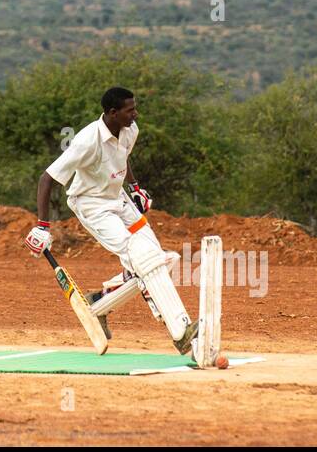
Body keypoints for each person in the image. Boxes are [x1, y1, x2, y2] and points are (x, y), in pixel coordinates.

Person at [25, 87, 198, 357]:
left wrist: (135, 187)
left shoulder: (130, 130)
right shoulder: (86, 141)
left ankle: (101, 303)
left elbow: (123, 157)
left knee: (159, 256)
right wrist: (42, 225)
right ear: (112, 113)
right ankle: (178, 330)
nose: (135, 114)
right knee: (140, 256)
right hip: (92, 205)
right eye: (130, 110)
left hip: (119, 200)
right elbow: (47, 178)